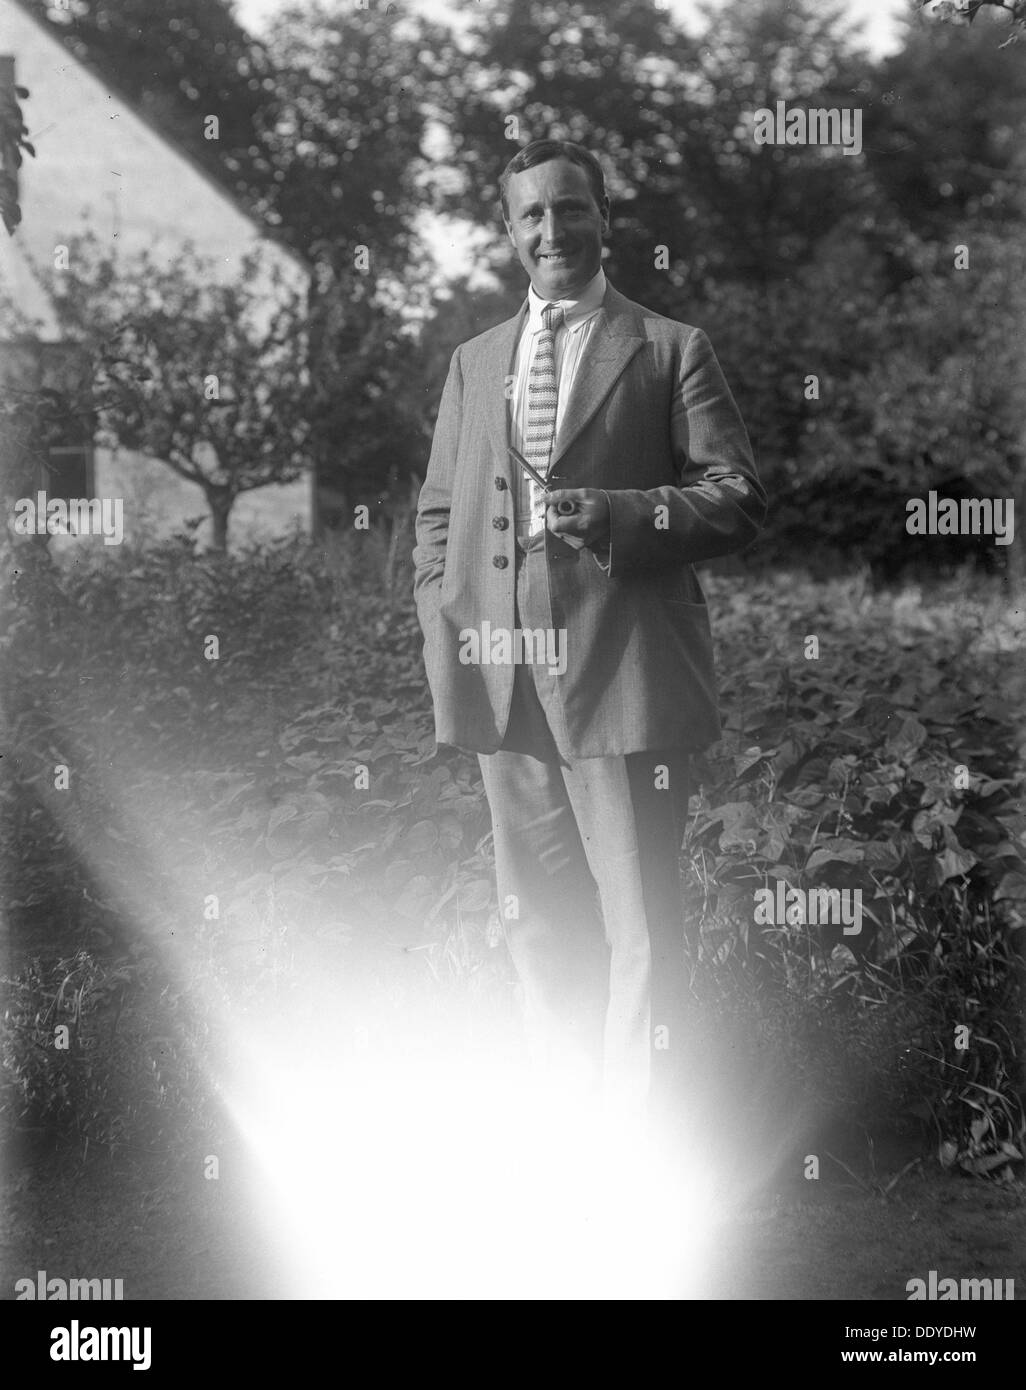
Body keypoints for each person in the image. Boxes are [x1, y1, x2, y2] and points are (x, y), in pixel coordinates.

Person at [413, 138, 765, 1116]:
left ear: (605, 218)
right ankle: (565, 1129)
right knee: (535, 921)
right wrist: (448, 631)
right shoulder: (475, 362)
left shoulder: (667, 346)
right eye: (531, 214)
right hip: (504, 677)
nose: (551, 229)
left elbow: (738, 499)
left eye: (570, 208)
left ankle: (642, 1141)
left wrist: (620, 514)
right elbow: (437, 518)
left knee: (640, 925)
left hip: (622, 674)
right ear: (509, 231)